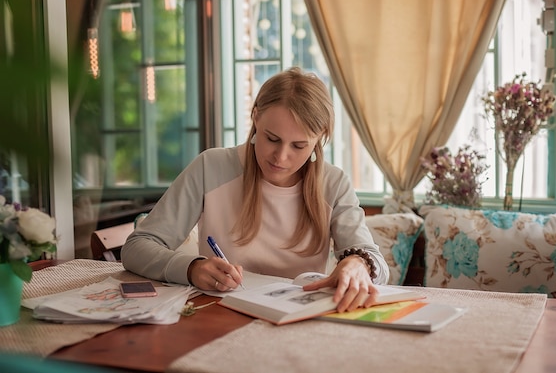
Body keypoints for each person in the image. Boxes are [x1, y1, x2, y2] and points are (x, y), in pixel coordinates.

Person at [121, 67, 389, 312]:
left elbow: (377, 263)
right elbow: (137, 248)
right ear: (256, 116)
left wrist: (357, 264)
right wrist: (191, 268)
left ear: (319, 138)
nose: (281, 157)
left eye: (299, 146)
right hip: (220, 315)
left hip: (298, 319)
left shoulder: (333, 184)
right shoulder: (210, 167)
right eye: (272, 139)